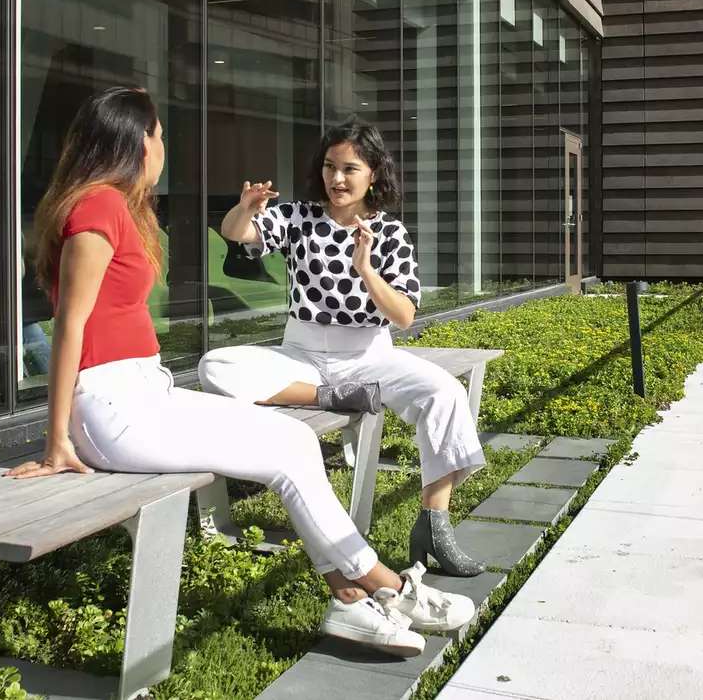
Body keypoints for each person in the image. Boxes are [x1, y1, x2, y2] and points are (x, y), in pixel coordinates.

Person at [2, 87, 473, 658]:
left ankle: (350, 599)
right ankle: (388, 587)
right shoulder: (98, 208)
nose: (162, 146)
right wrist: (57, 442)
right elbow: (69, 328)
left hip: (146, 391)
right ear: (134, 143)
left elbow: (403, 312)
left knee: (295, 441)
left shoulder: (117, 206)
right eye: (158, 135)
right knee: (285, 452)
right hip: (113, 408)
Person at [199, 118, 489, 576]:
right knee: (214, 364)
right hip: (303, 357)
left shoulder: (390, 233)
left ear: (373, 173)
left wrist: (366, 269)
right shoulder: (298, 217)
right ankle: (328, 399)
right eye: (330, 167)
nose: (336, 179)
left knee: (445, 394)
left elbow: (405, 316)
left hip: (371, 357)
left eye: (350, 168)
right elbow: (237, 233)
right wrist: (245, 208)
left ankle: (434, 524)